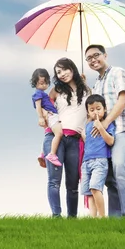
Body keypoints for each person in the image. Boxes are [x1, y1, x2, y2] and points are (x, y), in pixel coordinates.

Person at [85, 44, 125, 218]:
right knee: (109, 176)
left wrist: (106, 122)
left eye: (96, 55)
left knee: (120, 167)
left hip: (119, 128)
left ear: (105, 55)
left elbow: (123, 98)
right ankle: (116, 218)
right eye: (89, 58)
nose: (93, 60)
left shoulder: (118, 72)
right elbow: (94, 107)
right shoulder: (97, 83)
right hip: (103, 135)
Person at [41, 58, 90, 218]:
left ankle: (72, 219)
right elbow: (44, 109)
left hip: (76, 140)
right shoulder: (56, 90)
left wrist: (84, 84)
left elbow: (92, 112)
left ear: (72, 68)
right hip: (56, 137)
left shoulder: (88, 91)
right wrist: (44, 116)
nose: (62, 74)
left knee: (73, 183)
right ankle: (56, 216)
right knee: (54, 180)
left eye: (64, 69)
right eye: (58, 72)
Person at [80, 94, 115, 218]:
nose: (95, 112)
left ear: (104, 109)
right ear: (88, 112)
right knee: (89, 192)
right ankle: (93, 218)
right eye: (92, 109)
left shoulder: (107, 124)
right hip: (86, 162)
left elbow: (110, 141)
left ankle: (102, 216)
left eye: (98, 108)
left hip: (100, 161)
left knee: (95, 188)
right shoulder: (88, 126)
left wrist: (101, 128)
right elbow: (87, 141)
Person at [30, 68, 63, 167]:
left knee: (51, 133)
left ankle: (43, 153)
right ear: (35, 83)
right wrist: (41, 117)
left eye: (46, 83)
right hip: (50, 116)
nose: (43, 85)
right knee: (59, 133)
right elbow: (38, 106)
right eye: (41, 83)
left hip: (51, 115)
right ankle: (52, 154)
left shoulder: (42, 93)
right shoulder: (38, 93)